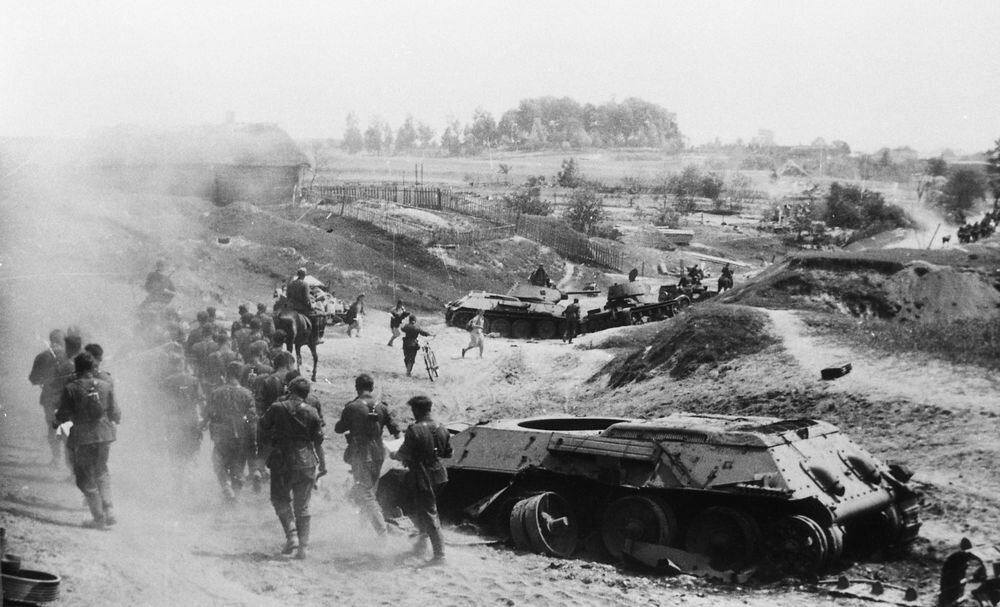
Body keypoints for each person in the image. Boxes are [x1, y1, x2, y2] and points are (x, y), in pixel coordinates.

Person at [261, 377, 325, 559]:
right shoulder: (312, 411)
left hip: (281, 459)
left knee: (280, 499)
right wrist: (323, 464)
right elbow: (318, 440)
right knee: (302, 505)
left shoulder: (277, 407)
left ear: (290, 390)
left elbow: (263, 426)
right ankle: (303, 547)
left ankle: (292, 535)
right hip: (306, 461)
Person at [56, 351, 121, 529]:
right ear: (93, 368)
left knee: (84, 478)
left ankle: (98, 517)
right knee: (102, 471)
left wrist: (60, 420)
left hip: (83, 437)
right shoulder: (106, 385)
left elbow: (62, 414)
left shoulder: (71, 387)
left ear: (76, 369)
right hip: (104, 435)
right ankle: (109, 510)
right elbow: (116, 413)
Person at [334, 374, 400, 537]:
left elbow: (339, 428)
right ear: (371, 388)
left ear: (357, 388)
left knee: (366, 493)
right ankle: (363, 527)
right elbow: (396, 431)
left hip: (361, 451)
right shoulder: (382, 407)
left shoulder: (352, 407)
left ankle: (382, 533)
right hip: (379, 451)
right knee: (371, 490)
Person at [392, 395, 452, 564]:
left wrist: (393, 454)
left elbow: (403, 454)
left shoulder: (414, 429)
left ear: (416, 410)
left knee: (429, 513)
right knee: (423, 509)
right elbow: (448, 453)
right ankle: (421, 547)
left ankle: (440, 555)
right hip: (439, 474)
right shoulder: (442, 427)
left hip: (422, 476)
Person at [203, 362, 257, 502]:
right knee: (238, 465)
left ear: (226, 374)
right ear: (240, 375)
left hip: (221, 435)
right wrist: (252, 438)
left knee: (218, 461)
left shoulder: (216, 393)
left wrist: (202, 425)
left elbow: (209, 413)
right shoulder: (247, 394)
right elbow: (251, 418)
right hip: (241, 436)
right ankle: (236, 495)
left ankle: (226, 486)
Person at [29, 329, 67, 467]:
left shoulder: (43, 356)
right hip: (69, 398)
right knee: (69, 427)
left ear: (51, 340)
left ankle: (56, 458)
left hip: (50, 397)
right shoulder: (72, 357)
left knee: (53, 427)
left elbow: (33, 379)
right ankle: (70, 462)